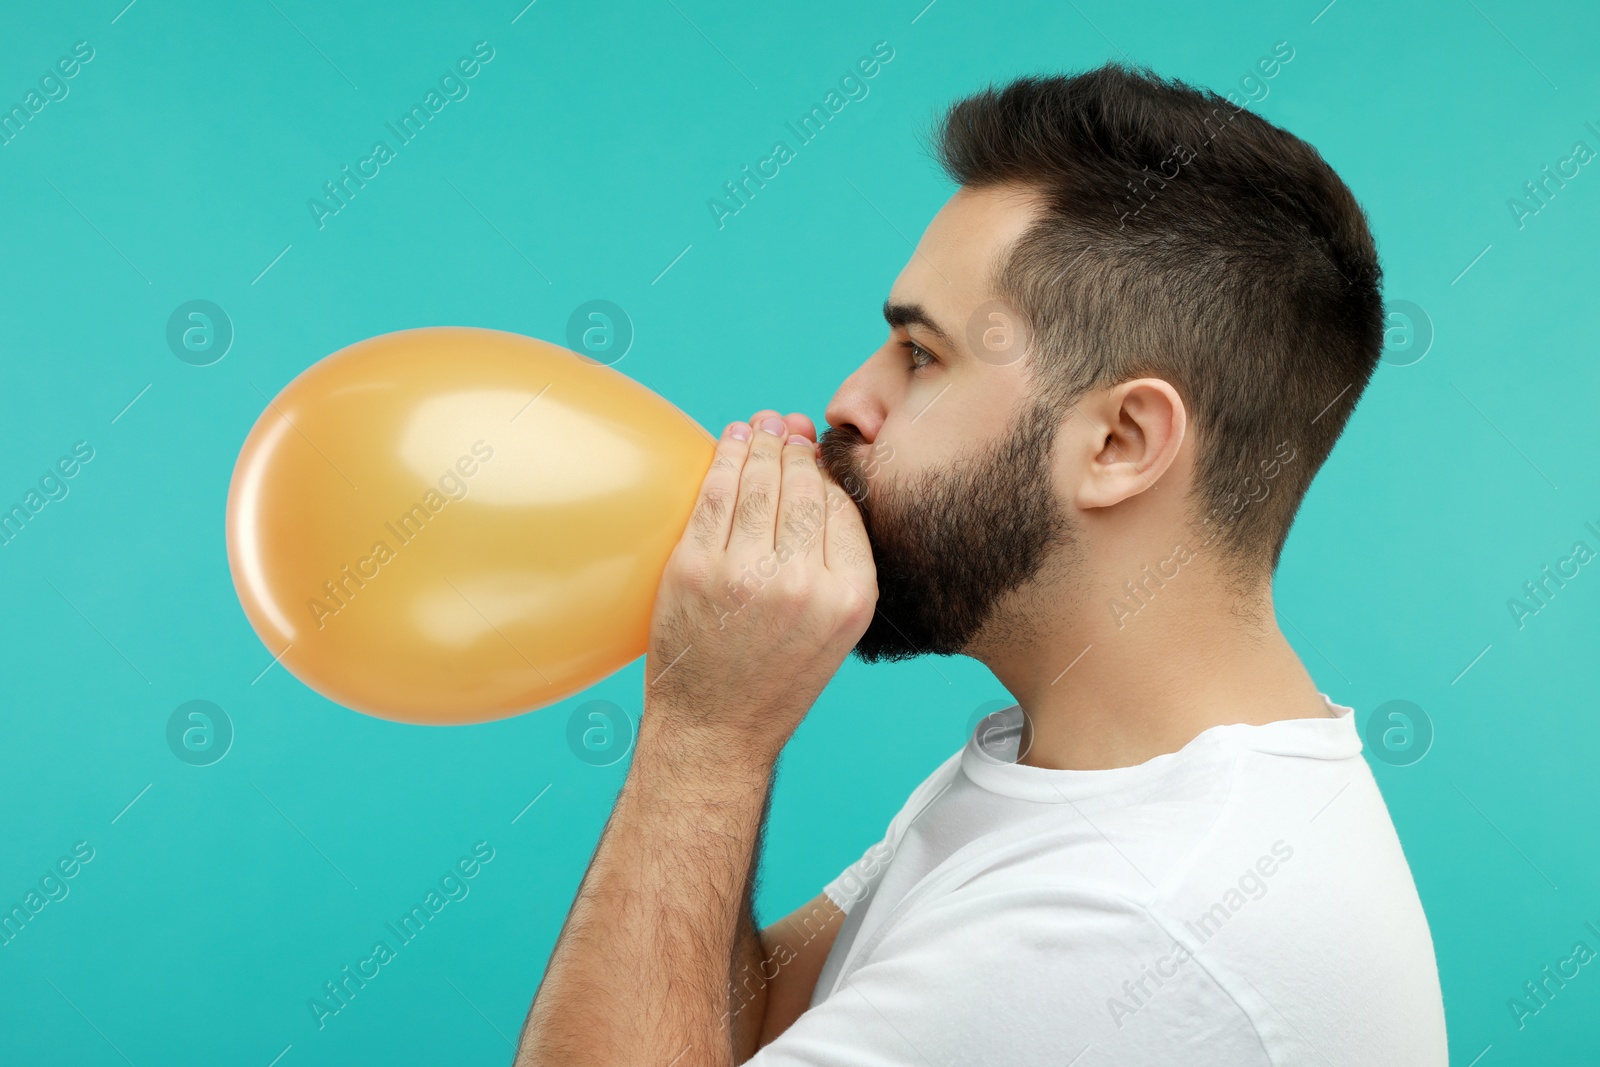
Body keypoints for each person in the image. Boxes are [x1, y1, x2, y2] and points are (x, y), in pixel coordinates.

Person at [515, 62, 1448, 1065]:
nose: (845, 401)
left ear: (1119, 442)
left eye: (920, 356)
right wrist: (720, 714)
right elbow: (722, 1018)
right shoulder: (1074, 777)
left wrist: (704, 737)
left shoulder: (1134, 913)